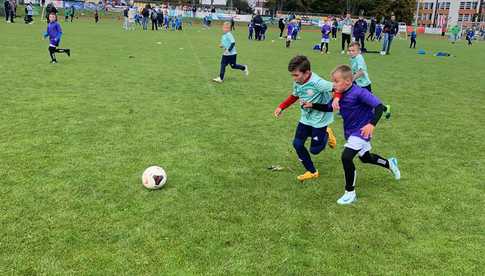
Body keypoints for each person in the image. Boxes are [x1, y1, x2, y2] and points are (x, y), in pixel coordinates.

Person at [302, 65, 400, 204]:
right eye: (333, 81)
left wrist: (371, 124)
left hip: (361, 131)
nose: (333, 84)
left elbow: (378, 106)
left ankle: (350, 192)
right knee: (366, 158)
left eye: (336, 81)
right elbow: (329, 107)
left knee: (346, 157)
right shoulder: (339, 95)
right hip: (350, 132)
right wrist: (312, 105)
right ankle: (389, 163)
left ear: (347, 81)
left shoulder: (359, 92)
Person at [273, 55, 337, 182]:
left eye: (296, 75)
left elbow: (338, 87)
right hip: (306, 119)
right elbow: (294, 96)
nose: (294, 78)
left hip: (320, 120)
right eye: (292, 75)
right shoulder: (297, 82)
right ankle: (312, 172)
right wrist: (281, 107)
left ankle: (326, 133)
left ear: (307, 72)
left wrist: (337, 99)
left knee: (315, 150)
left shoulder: (318, 83)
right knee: (297, 144)